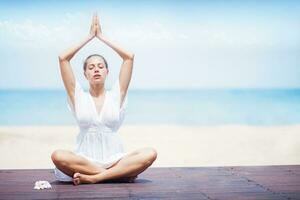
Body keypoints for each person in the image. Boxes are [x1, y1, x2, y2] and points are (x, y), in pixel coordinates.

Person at [51, 14, 157, 185]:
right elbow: (63, 58)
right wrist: (89, 37)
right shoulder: (77, 96)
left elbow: (129, 57)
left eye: (101, 66)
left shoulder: (117, 95)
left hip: (116, 160)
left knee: (150, 153)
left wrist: (101, 37)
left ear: (107, 71)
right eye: (91, 67)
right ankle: (117, 175)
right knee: (58, 156)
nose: (96, 70)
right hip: (85, 161)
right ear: (85, 74)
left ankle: (97, 178)